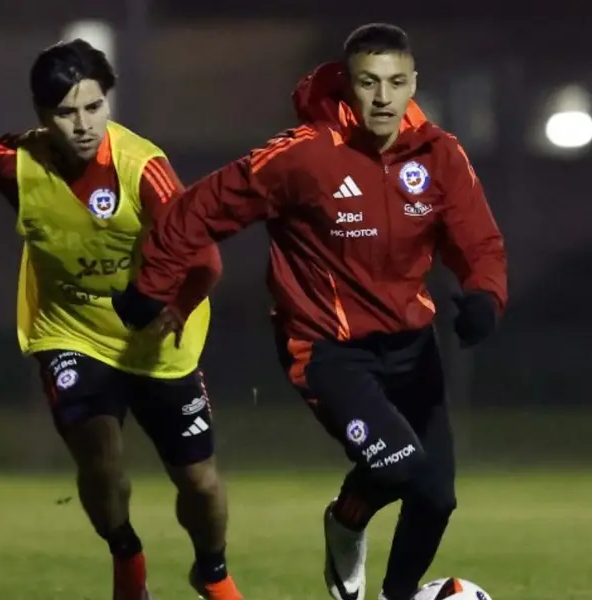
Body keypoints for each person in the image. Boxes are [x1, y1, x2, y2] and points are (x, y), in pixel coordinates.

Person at [113, 22, 507, 600]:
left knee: (436, 495)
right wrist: (153, 284)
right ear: (349, 84)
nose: (382, 97)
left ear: (413, 84)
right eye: (368, 82)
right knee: (400, 466)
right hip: (327, 350)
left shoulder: (440, 155)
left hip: (411, 348)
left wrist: (484, 296)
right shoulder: (303, 155)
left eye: (396, 82)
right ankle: (346, 521)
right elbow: (198, 209)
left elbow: (479, 241)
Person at [0, 39, 243, 600]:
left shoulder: (143, 168)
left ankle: (212, 572)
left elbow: (205, 259)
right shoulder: (16, 163)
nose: (83, 124)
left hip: (159, 341)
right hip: (71, 332)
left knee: (199, 482)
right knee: (99, 461)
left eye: (93, 106)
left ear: (107, 101)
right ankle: (127, 559)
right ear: (41, 115)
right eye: (65, 112)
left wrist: (176, 307)